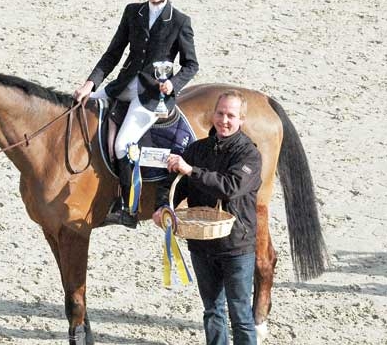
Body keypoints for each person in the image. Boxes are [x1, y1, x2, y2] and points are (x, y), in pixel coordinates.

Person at [73, 0, 199, 228]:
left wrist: (173, 83)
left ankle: (126, 208)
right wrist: (90, 85)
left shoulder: (180, 21)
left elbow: (191, 65)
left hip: (152, 96)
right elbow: (112, 53)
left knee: (123, 144)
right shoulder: (133, 11)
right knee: (79, 108)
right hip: (123, 85)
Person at [152, 91, 262, 345]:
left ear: (241, 120)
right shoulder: (196, 149)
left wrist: (191, 170)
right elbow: (173, 185)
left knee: (241, 315)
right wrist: (161, 207)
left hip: (237, 246)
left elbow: (230, 187)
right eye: (220, 113)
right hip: (201, 244)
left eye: (231, 116)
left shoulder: (249, 155)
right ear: (213, 115)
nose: (224, 120)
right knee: (212, 311)